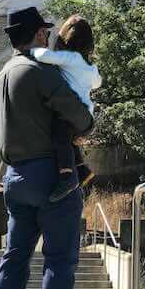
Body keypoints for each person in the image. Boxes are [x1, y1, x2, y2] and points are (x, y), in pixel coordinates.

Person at [0, 7, 93, 289]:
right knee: (59, 261)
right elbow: (78, 114)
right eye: (45, 33)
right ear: (37, 34)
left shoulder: (1, 76)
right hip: (50, 174)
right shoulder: (39, 71)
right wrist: (88, 126)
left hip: (14, 178)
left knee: (14, 259)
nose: (48, 38)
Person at [30, 15, 101, 202]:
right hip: (86, 112)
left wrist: (32, 52)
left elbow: (45, 56)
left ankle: (67, 176)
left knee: (59, 137)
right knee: (68, 141)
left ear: (65, 39)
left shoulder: (69, 58)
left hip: (71, 110)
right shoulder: (90, 66)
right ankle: (82, 169)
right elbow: (97, 83)